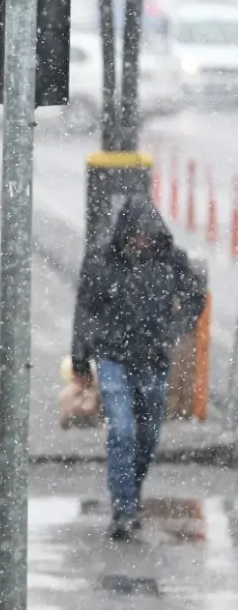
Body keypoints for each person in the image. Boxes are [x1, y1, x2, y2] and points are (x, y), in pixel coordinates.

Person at [71, 197, 205, 541]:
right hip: (113, 357)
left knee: (147, 437)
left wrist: (175, 328)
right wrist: (80, 359)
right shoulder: (101, 260)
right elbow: (86, 311)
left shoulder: (170, 259)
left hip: (154, 359)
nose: (140, 242)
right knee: (122, 432)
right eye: (134, 235)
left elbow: (194, 295)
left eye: (146, 235)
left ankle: (130, 492)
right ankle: (124, 509)